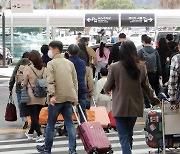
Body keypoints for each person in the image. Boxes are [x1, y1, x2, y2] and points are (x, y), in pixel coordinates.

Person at [104, 40, 160, 154]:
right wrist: (155, 101)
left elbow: (107, 87)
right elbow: (147, 87)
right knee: (128, 133)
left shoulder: (115, 67)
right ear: (134, 51)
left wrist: (108, 90)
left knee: (123, 136)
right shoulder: (141, 67)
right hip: (135, 106)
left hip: (120, 106)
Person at [36, 41, 78, 154]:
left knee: (51, 124)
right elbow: (75, 82)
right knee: (69, 124)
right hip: (69, 97)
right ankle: (72, 149)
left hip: (56, 98)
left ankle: (47, 149)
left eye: (50, 49)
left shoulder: (51, 63)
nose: (49, 52)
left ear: (54, 49)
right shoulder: (69, 63)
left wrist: (52, 95)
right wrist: (75, 98)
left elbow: (50, 81)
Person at [23, 50, 46, 142]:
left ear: (30, 59)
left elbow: (24, 83)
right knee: (36, 115)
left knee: (33, 116)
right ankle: (30, 133)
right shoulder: (44, 68)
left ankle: (40, 135)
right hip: (42, 95)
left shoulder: (28, 68)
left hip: (31, 95)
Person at [9, 52, 30, 129]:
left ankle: (24, 120)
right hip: (29, 87)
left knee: (21, 105)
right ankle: (30, 119)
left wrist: (10, 87)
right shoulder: (31, 64)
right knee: (29, 104)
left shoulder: (19, 64)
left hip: (19, 88)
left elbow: (13, 76)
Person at [68, 44, 87, 123]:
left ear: (68, 52)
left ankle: (67, 129)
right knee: (82, 110)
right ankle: (85, 128)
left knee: (68, 110)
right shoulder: (82, 62)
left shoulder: (67, 62)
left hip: (70, 88)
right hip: (82, 87)